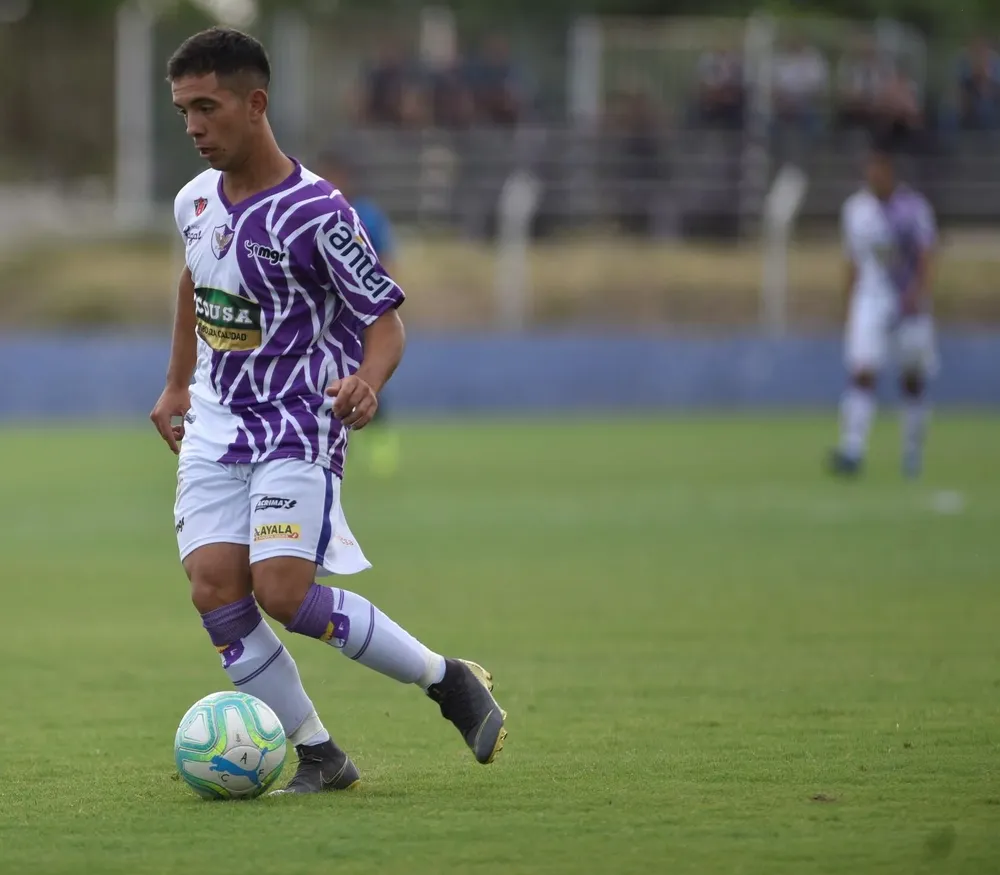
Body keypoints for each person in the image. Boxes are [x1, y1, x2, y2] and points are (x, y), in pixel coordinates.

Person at [150, 27, 506, 795]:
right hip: (216, 422)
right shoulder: (194, 200)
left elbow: (386, 320)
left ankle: (448, 681)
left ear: (256, 103)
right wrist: (178, 384)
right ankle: (319, 753)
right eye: (183, 111)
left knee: (283, 592)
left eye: (206, 107)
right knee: (214, 585)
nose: (194, 127)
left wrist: (369, 380)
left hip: (297, 423)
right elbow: (192, 282)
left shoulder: (319, 212)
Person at [830, 137, 938, 479]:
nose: (872, 175)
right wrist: (848, 303)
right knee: (862, 371)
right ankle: (852, 449)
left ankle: (911, 452)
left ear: (889, 171)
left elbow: (926, 255)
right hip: (871, 299)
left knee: (912, 380)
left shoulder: (914, 208)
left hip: (908, 303)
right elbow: (852, 260)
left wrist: (917, 293)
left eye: (878, 168)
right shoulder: (856, 210)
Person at [317, 150, 401, 476]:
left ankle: (382, 449)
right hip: (328, 317)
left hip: (361, 314)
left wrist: (382, 301)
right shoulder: (314, 212)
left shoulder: (365, 214)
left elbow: (385, 261)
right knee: (327, 380)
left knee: (366, 377)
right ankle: (331, 446)